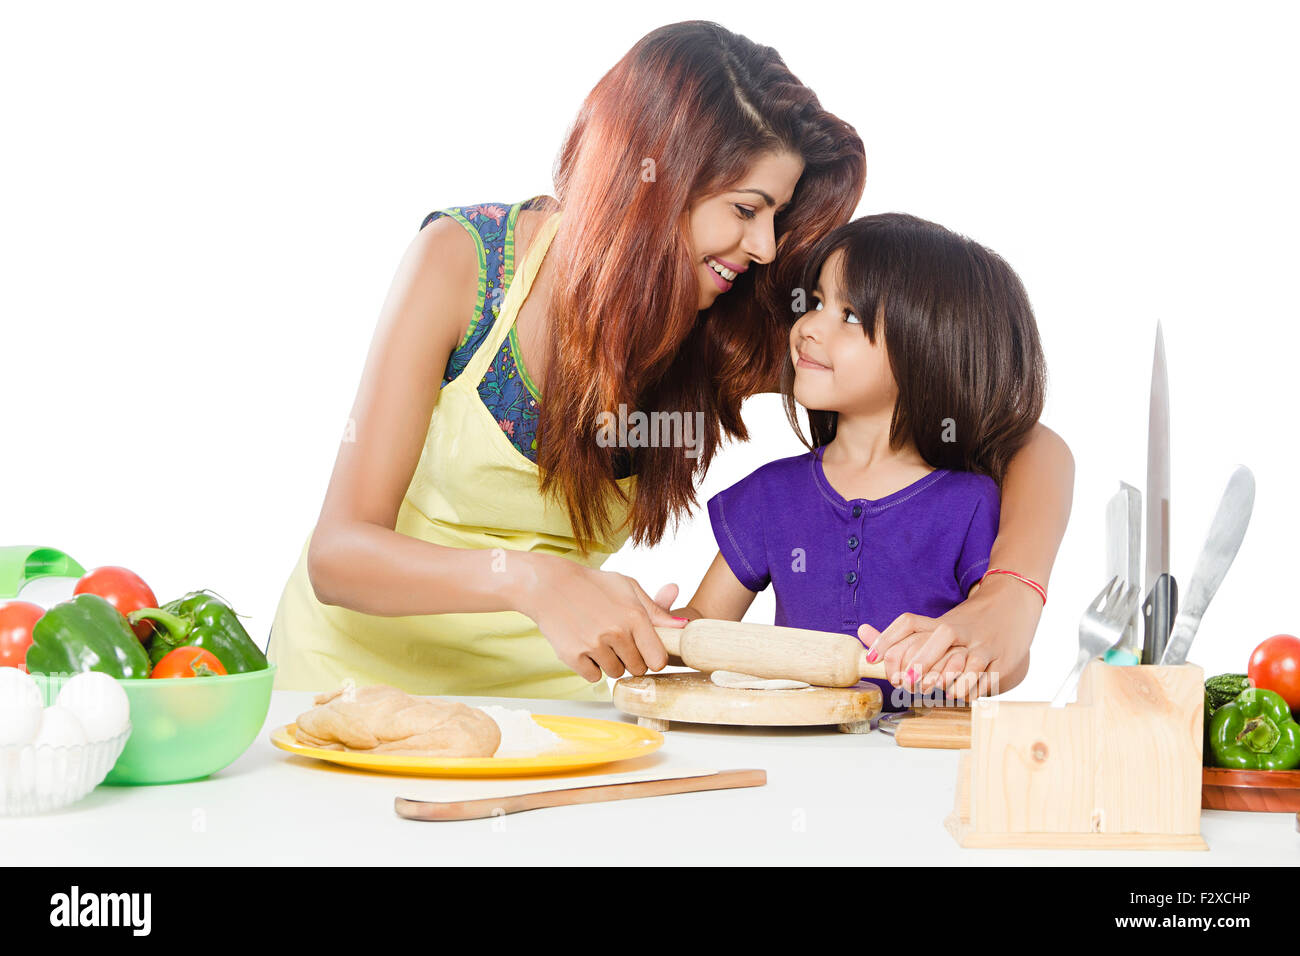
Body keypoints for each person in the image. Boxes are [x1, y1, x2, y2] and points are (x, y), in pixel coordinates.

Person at [268, 21, 1071, 701]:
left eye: (776, 218)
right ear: (654, 181)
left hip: (556, 719)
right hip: (345, 693)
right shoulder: (463, 265)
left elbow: (1022, 437)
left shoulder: (724, 330)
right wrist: (533, 579)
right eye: (745, 210)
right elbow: (341, 553)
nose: (763, 248)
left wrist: (1011, 596)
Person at [682, 213, 1052, 708]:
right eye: (815, 303)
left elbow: (1003, 650)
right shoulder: (770, 493)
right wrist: (653, 628)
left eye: (849, 315)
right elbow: (704, 625)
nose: (809, 326)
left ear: (928, 346)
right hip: (794, 757)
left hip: (918, 761)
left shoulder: (969, 503)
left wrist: (962, 666)